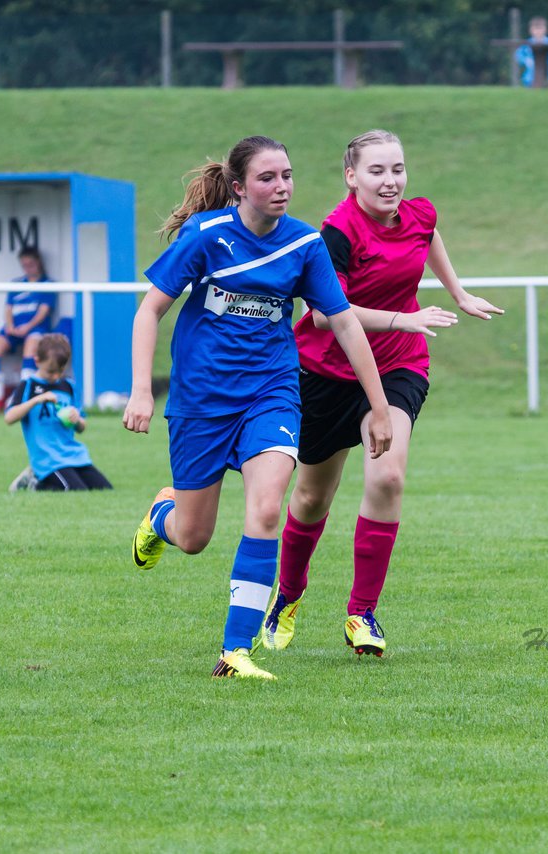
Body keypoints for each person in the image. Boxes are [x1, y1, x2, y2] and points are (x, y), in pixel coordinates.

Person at [123, 135, 394, 681]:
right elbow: (149, 310)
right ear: (240, 187)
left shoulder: (305, 245)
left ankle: (235, 650)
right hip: (201, 401)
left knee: (267, 508)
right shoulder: (206, 236)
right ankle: (161, 515)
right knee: (194, 538)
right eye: (268, 178)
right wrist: (140, 391)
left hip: (272, 393)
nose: (282, 187)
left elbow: (343, 322)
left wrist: (380, 405)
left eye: (288, 176)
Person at [261, 129, 504, 658]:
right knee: (310, 497)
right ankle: (288, 596)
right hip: (327, 373)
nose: (390, 181)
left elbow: (428, 235)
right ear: (351, 177)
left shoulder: (418, 213)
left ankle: (362, 613)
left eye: (397, 169)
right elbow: (324, 316)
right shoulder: (337, 233)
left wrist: (457, 292)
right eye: (377, 171)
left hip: (399, 364)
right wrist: (405, 317)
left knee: (389, 476)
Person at [4, 333, 111, 492]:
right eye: (50, 371)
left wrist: (77, 420)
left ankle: (38, 480)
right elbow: (9, 418)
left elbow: (82, 427)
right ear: (37, 361)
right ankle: (37, 480)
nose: (55, 376)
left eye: (60, 371)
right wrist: (37, 400)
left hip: (74, 455)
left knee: (104, 489)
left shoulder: (68, 386)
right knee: (76, 491)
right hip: (48, 460)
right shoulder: (29, 385)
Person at [0, 246, 56, 411]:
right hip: (14, 328)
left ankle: (22, 396)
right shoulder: (16, 284)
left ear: (38, 262)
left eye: (31, 264)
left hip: (35, 328)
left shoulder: (48, 284)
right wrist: (11, 326)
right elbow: (8, 309)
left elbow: (43, 311)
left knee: (31, 347)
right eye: (24, 265)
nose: (28, 268)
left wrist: (27, 327)